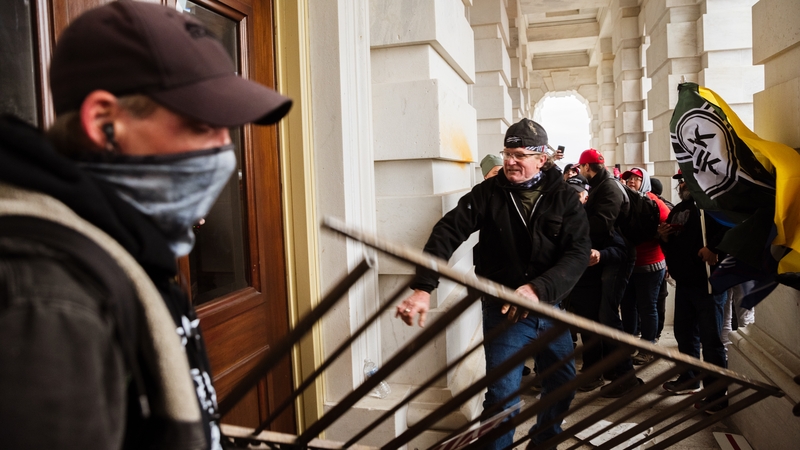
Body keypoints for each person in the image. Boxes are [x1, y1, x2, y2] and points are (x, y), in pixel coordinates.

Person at [0, 2, 292, 449]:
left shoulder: (126, 242)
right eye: (201, 126)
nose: (223, 153)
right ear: (104, 122)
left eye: (226, 130)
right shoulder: (47, 292)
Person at [396, 118, 590, 449]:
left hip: (550, 308)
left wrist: (537, 290)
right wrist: (423, 288)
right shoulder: (488, 193)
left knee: (562, 386)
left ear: (541, 159)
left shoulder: (564, 198)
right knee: (503, 399)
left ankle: (544, 442)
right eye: (507, 153)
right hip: (504, 312)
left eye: (518, 155)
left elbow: (578, 253)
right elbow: (447, 232)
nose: (510, 162)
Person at [658, 172, 729, 412]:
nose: (682, 184)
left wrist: (715, 249)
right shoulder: (679, 208)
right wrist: (664, 238)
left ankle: (717, 395)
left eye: (686, 180)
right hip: (685, 283)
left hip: (708, 283)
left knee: (711, 341)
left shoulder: (714, 206)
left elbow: (735, 231)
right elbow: (674, 242)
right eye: (680, 181)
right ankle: (689, 377)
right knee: (684, 334)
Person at [576, 149, 641, 396]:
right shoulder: (602, 185)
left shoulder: (609, 188)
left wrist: (575, 223)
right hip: (609, 257)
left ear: (586, 167)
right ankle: (614, 370)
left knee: (608, 317)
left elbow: (602, 225)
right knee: (603, 316)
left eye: (581, 168)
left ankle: (626, 376)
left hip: (618, 257)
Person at [619, 168, 670, 364]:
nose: (631, 182)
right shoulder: (623, 201)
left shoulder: (655, 203)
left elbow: (668, 232)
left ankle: (648, 346)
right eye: (629, 179)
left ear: (644, 181)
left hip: (650, 265)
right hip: (628, 264)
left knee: (647, 307)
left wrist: (660, 234)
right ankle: (629, 342)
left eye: (636, 179)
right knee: (628, 305)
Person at [649, 177, 673, 342]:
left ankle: (655, 333)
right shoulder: (668, 206)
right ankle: (655, 333)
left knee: (656, 300)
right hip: (661, 261)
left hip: (658, 260)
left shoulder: (660, 207)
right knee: (658, 299)